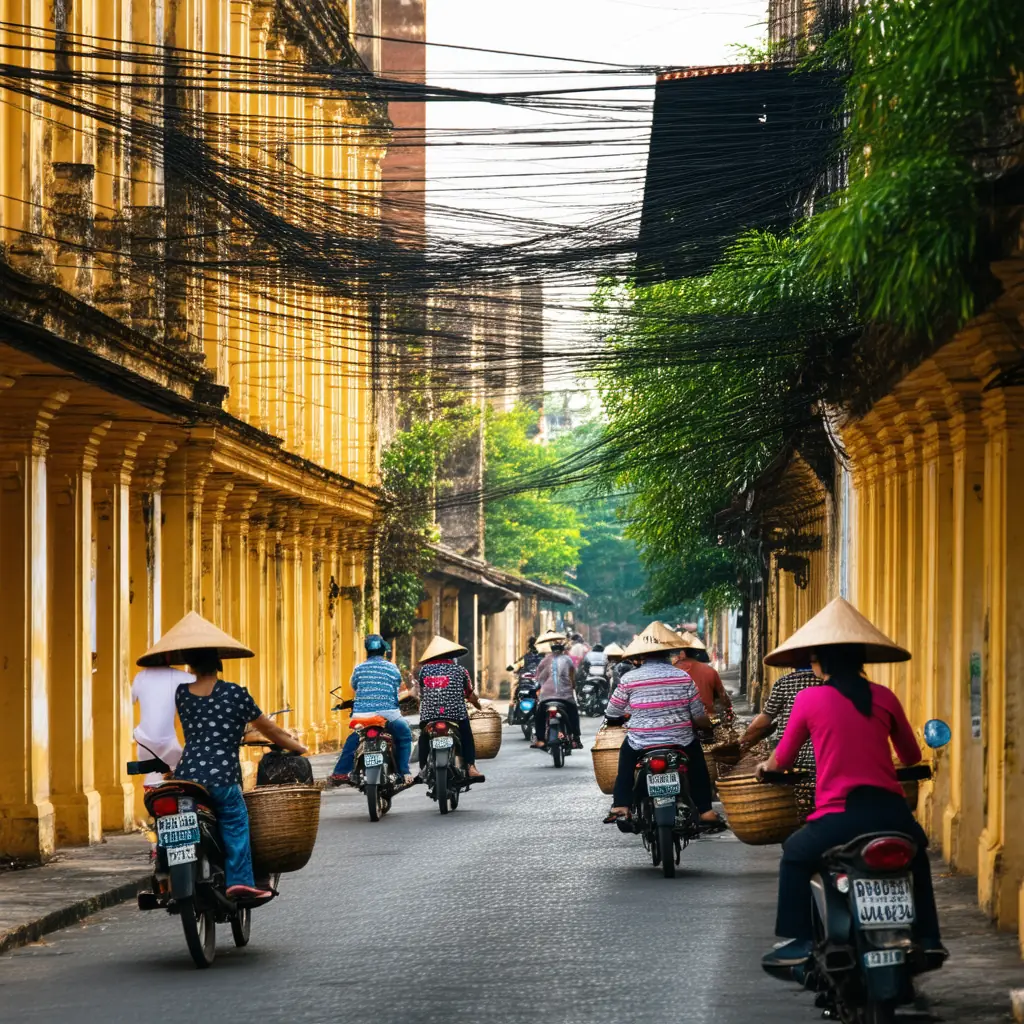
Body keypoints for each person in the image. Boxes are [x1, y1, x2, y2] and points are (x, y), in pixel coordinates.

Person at [757, 597, 943, 969]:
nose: (810, 665)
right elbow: (909, 757)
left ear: (823, 662)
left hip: (838, 816)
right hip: (892, 814)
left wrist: (766, 767)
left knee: (795, 855)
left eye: (812, 659)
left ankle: (803, 941)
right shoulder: (885, 697)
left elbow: (784, 759)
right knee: (916, 857)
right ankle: (929, 937)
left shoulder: (809, 699)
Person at [136, 611, 308, 902]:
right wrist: (297, 748)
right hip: (222, 776)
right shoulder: (236, 694)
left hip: (187, 775)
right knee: (235, 819)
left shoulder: (182, 694)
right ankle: (239, 881)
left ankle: (164, 875)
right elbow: (271, 730)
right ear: (218, 664)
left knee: (176, 818)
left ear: (191, 665)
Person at [602, 622, 722, 828]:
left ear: (642, 655)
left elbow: (613, 711)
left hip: (641, 741)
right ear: (669, 653)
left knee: (625, 762)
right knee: (699, 769)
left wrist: (618, 719)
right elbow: (698, 715)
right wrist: (708, 728)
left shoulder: (629, 678)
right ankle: (706, 811)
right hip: (681, 741)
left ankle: (621, 806)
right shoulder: (683, 677)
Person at [329, 634, 414, 787]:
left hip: (362, 716)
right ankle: (403, 772)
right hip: (388, 714)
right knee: (404, 735)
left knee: (354, 739)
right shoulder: (391, 667)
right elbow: (398, 685)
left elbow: (354, 686)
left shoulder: (359, 668)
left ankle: (340, 772)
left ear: (367, 651)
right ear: (383, 650)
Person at [415, 635, 485, 782]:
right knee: (466, 735)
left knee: (424, 737)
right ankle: (471, 767)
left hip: (429, 715)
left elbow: (420, 692)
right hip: (456, 715)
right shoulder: (460, 670)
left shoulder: (424, 671)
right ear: (451, 656)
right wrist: (478, 704)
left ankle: (422, 770)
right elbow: (470, 694)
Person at [132, 664, 193, 789]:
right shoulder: (177, 676)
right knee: (180, 777)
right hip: (165, 741)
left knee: (153, 781)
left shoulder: (141, 677)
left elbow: (131, 700)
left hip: (143, 739)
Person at [530, 634, 582, 750]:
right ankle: (576, 738)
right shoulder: (567, 660)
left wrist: (541, 685)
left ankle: (540, 739)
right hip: (565, 696)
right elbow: (573, 676)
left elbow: (538, 677)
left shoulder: (545, 660)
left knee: (539, 716)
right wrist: (573, 685)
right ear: (563, 650)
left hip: (547, 697)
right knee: (573, 712)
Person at [673, 633, 733, 722]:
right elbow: (724, 700)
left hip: (678, 722)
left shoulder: (671, 671)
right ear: (696, 653)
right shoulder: (710, 671)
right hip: (707, 721)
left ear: (680, 654)